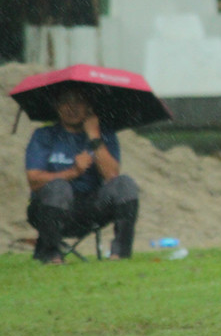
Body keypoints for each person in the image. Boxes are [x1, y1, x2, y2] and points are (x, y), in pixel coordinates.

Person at [25, 86, 139, 264]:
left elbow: (112, 176)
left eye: (78, 101)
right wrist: (73, 172)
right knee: (59, 188)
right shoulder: (44, 136)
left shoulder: (104, 135)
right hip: (49, 209)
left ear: (89, 106)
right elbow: (34, 181)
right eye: (65, 102)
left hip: (90, 209)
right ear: (57, 106)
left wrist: (94, 135)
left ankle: (120, 254)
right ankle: (51, 254)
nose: (72, 107)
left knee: (125, 184)